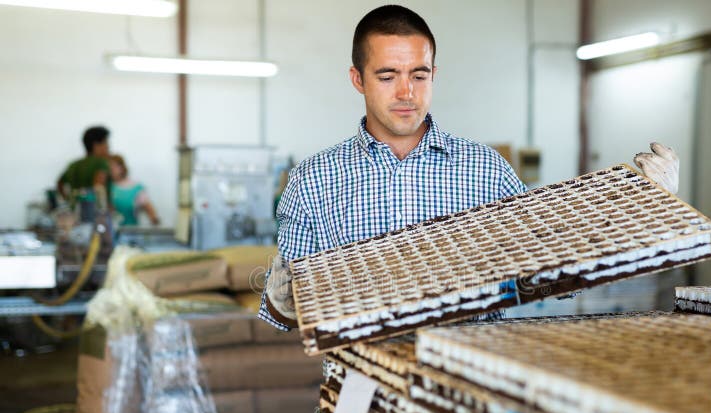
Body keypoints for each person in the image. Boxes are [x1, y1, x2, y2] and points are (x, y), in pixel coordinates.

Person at [259, 4, 679, 330]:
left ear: (434, 74)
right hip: (360, 396)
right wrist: (282, 303)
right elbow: (285, 314)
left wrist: (637, 210)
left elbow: (553, 270)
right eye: (387, 76)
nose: (406, 92)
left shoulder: (486, 170)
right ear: (357, 79)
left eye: (419, 75)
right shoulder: (314, 179)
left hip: (466, 394)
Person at [57, 126, 112, 215]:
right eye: (106, 142)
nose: (108, 147)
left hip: (75, 213)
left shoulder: (73, 164)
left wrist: (69, 200)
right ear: (96, 145)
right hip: (94, 214)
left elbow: (59, 184)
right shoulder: (101, 162)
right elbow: (98, 187)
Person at [108, 154, 160, 226]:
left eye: (114, 166)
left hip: (131, 231)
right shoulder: (107, 187)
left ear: (122, 168)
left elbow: (149, 209)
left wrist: (155, 221)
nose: (111, 169)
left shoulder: (136, 188)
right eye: (109, 167)